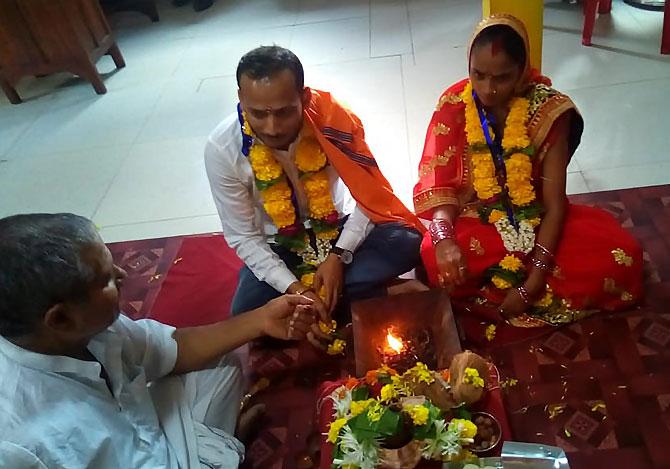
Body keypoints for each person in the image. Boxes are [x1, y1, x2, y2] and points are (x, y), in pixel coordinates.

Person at [0, 213, 316, 468]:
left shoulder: (83, 328)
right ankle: (218, 448)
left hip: (153, 435)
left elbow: (175, 348)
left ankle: (215, 446)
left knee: (220, 362)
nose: (123, 274)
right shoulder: (20, 443)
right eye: (107, 278)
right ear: (60, 319)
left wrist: (261, 319)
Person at [413, 14, 643, 327]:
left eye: (502, 77)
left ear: (523, 72)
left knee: (622, 255)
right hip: (480, 217)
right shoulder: (455, 103)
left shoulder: (549, 111)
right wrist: (444, 240)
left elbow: (554, 206)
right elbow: (441, 189)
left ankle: (503, 289)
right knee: (431, 251)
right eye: (478, 74)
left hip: (537, 221)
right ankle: (498, 282)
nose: (488, 89)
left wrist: (531, 283)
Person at [205, 46, 425, 335]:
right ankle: (374, 292)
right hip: (280, 245)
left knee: (407, 241)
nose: (271, 128)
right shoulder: (222, 149)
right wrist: (295, 288)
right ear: (241, 99)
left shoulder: (336, 122)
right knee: (247, 311)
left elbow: (367, 197)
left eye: (284, 112)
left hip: (338, 230)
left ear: (304, 97)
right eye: (258, 114)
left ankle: (307, 310)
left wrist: (338, 256)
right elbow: (244, 237)